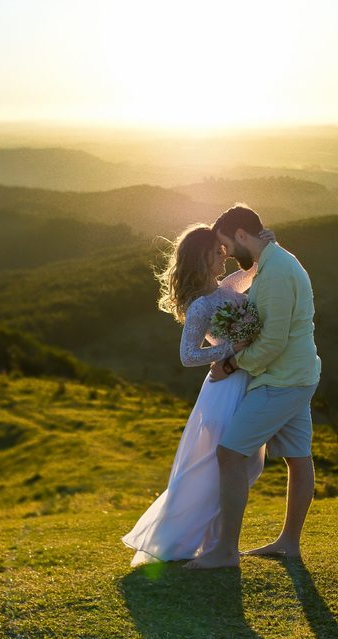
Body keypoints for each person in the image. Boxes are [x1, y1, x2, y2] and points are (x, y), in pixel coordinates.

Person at [120, 222, 276, 566]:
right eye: (218, 254)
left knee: (246, 462)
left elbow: (255, 267)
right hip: (225, 390)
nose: (225, 259)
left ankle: (219, 540)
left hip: (246, 379)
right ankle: (207, 542)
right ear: (202, 258)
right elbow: (189, 356)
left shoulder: (229, 286)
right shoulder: (200, 306)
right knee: (218, 465)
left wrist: (265, 241)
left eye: (224, 252)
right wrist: (230, 348)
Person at [183, 204, 321, 570]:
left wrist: (230, 363)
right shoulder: (272, 263)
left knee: (229, 454)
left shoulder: (275, 272)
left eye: (227, 245)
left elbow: (272, 341)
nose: (226, 254)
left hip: (281, 379)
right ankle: (289, 543)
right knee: (297, 455)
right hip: (296, 375)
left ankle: (226, 551)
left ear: (242, 235)